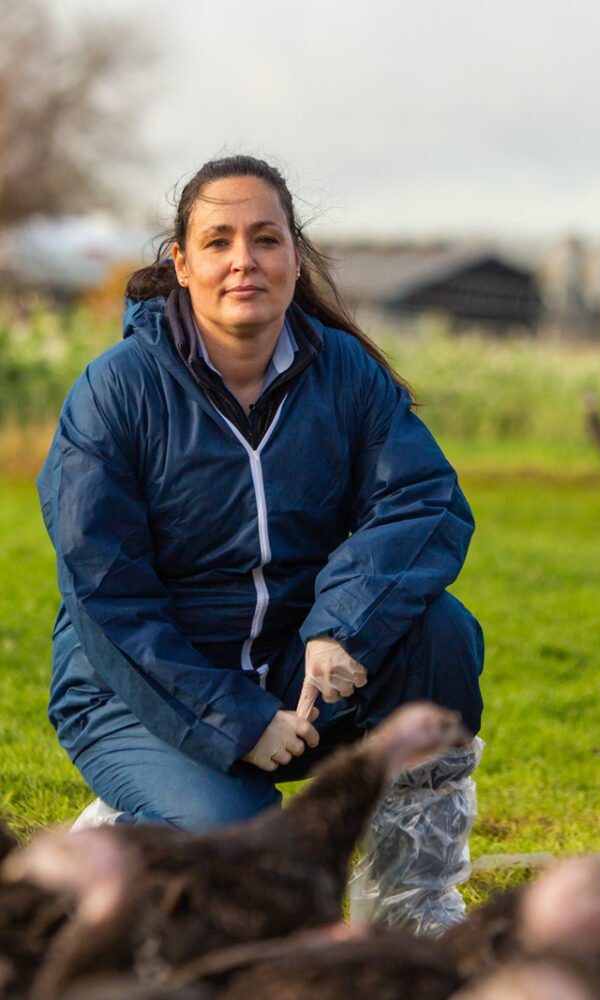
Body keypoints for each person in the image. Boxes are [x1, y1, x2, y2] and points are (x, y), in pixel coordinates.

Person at [36, 155, 485, 935]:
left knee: (440, 635)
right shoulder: (116, 393)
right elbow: (108, 598)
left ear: (293, 255)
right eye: (218, 240)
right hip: (136, 688)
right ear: (182, 263)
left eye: (266, 238)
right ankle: (114, 846)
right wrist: (237, 722)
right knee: (249, 852)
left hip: (295, 667)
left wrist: (341, 627)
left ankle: (410, 915)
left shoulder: (343, 373)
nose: (244, 260)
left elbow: (423, 499)